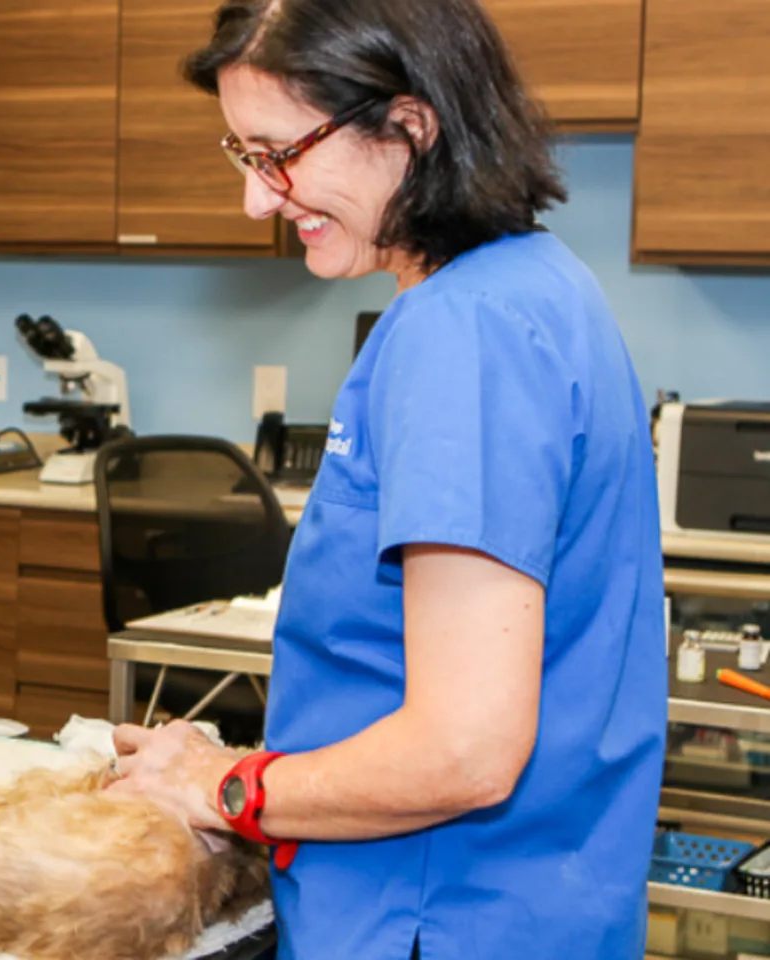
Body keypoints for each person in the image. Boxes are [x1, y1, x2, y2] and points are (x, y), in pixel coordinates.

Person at [109, 1, 665, 958]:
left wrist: (219, 785)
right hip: (534, 906)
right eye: (243, 157)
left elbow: (463, 752)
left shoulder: (463, 333)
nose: (259, 200)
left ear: (408, 127)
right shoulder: (536, 285)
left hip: (435, 915)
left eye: (278, 153)